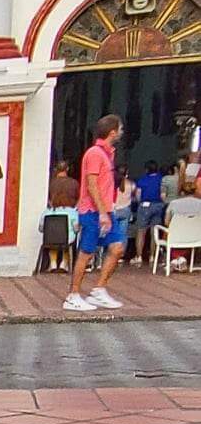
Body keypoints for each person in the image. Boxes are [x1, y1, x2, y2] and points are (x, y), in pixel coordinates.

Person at [65, 115, 125, 312]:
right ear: (112, 132)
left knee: (117, 248)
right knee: (87, 252)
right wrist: (101, 212)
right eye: (120, 128)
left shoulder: (108, 155)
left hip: (106, 209)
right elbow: (91, 184)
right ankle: (73, 294)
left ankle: (99, 289)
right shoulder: (94, 154)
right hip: (93, 211)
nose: (122, 132)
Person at [133, 160, 168, 265]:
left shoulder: (142, 180)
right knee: (154, 232)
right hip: (158, 205)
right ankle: (152, 256)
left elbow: (138, 195)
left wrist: (140, 203)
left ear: (146, 169)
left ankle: (139, 257)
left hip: (145, 205)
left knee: (141, 231)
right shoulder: (161, 179)